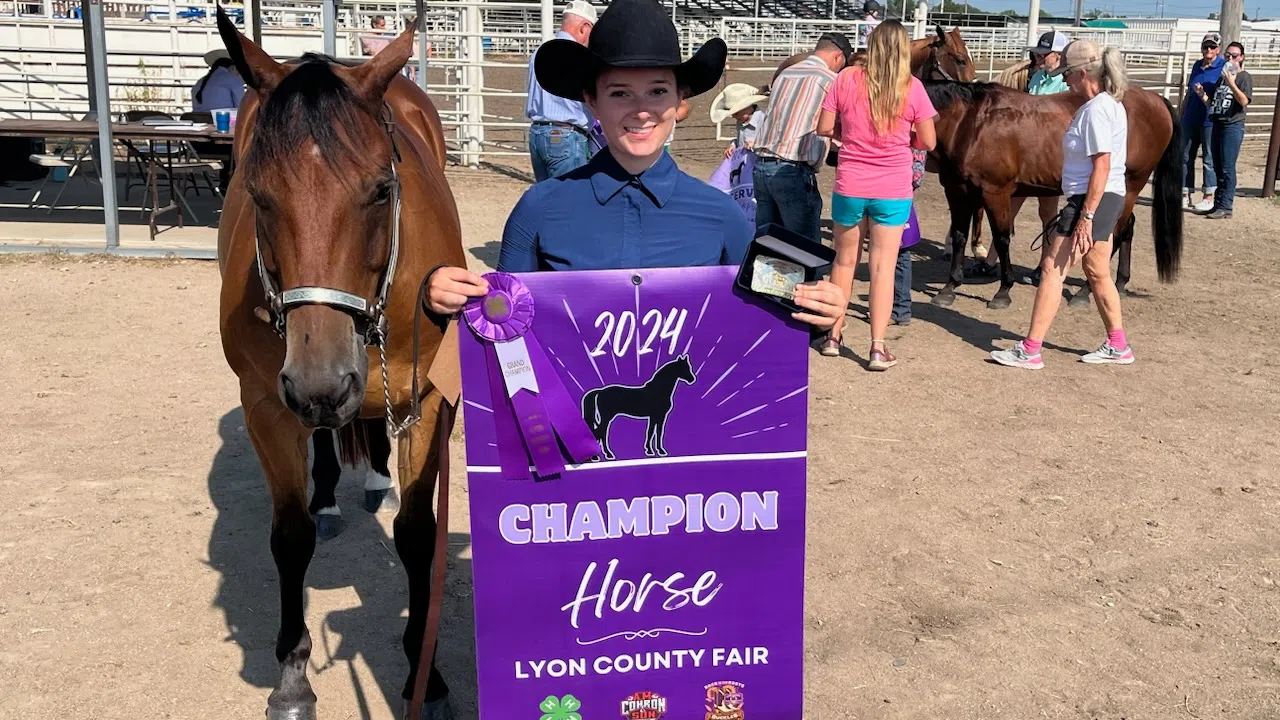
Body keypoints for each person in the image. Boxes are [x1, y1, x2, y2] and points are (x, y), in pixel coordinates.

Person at [422, 0, 847, 334]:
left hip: (688, 435)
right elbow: (501, 323)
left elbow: (761, 332)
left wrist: (813, 313)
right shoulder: (538, 208)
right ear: (591, 100)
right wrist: (443, 299)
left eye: (657, 91)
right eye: (621, 93)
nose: (642, 111)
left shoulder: (722, 217)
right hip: (565, 438)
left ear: (681, 100)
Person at [991, 40, 1133, 371]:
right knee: (1097, 271)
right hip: (1106, 197)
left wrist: (1085, 215)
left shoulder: (1097, 110)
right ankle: (1118, 344)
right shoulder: (1109, 105)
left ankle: (1030, 349)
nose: (1065, 80)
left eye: (1068, 74)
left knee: (1052, 268)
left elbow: (1101, 163)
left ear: (1084, 73)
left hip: (1091, 198)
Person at [815, 20, 936, 370]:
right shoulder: (911, 87)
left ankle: (833, 336)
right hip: (893, 188)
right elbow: (928, 141)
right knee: (883, 268)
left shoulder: (847, 78)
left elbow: (824, 127)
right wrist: (904, 140)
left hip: (851, 183)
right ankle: (878, 347)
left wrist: (847, 134)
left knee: (843, 262)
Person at [968, 29, 1071, 282]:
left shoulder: (1064, 85)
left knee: (1047, 211)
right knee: (1007, 207)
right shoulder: (1036, 79)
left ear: (1057, 56)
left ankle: (1045, 262)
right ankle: (992, 260)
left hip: (1048, 155)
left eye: (1043, 55)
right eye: (1038, 54)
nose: (1038, 58)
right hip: (1026, 152)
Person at [752, 32, 852, 244]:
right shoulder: (830, 80)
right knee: (804, 249)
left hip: (762, 165)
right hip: (793, 168)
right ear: (838, 57)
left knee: (768, 244)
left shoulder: (786, 74)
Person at [524, 0, 597, 182]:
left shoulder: (539, 53)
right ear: (584, 27)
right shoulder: (579, 57)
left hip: (537, 134)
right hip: (566, 136)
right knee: (571, 199)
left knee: (549, 198)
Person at [1202, 41, 1251, 220]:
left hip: (1233, 125)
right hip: (1218, 122)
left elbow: (1244, 101)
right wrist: (1203, 96)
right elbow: (1213, 103)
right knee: (1217, 166)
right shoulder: (1222, 78)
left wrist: (1232, 83)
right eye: (1228, 55)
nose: (1230, 58)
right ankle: (1217, 204)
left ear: (1241, 57)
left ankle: (1226, 205)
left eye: (1234, 56)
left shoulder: (1243, 77)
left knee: (1227, 167)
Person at [1181, 32, 1224, 212]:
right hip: (1191, 117)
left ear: (1218, 49)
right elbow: (1189, 92)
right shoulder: (1197, 66)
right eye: (1205, 46)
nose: (1208, 50)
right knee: (1185, 156)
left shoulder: (1223, 67)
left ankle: (1208, 195)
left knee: (1208, 158)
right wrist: (1181, 113)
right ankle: (1185, 193)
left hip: (1209, 119)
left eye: (1212, 47)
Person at [710, 83, 767, 159]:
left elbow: (774, 141)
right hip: (744, 162)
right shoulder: (741, 121)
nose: (734, 117)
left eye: (736, 113)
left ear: (748, 106)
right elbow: (741, 139)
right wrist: (733, 145)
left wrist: (755, 144)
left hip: (760, 163)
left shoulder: (764, 120)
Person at [191, 49, 245, 113]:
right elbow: (242, 107)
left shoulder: (200, 82)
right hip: (222, 120)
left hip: (199, 120)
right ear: (233, 67)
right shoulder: (233, 79)